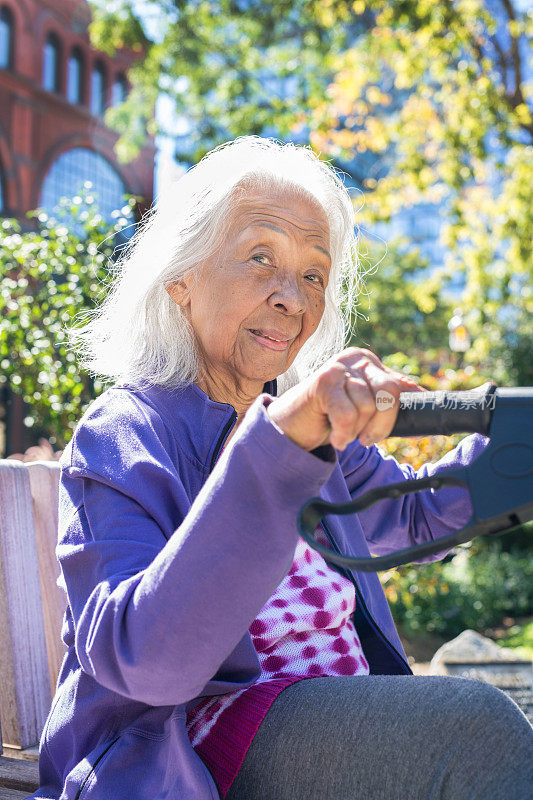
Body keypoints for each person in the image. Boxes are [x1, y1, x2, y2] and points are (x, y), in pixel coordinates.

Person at [29, 136, 532, 800]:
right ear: (182, 278)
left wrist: (519, 450)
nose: (291, 298)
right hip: (189, 754)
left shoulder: (307, 433)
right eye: (259, 258)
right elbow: (149, 664)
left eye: (313, 274)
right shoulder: (126, 433)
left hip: (332, 731)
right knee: (475, 727)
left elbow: (412, 510)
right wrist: (278, 448)